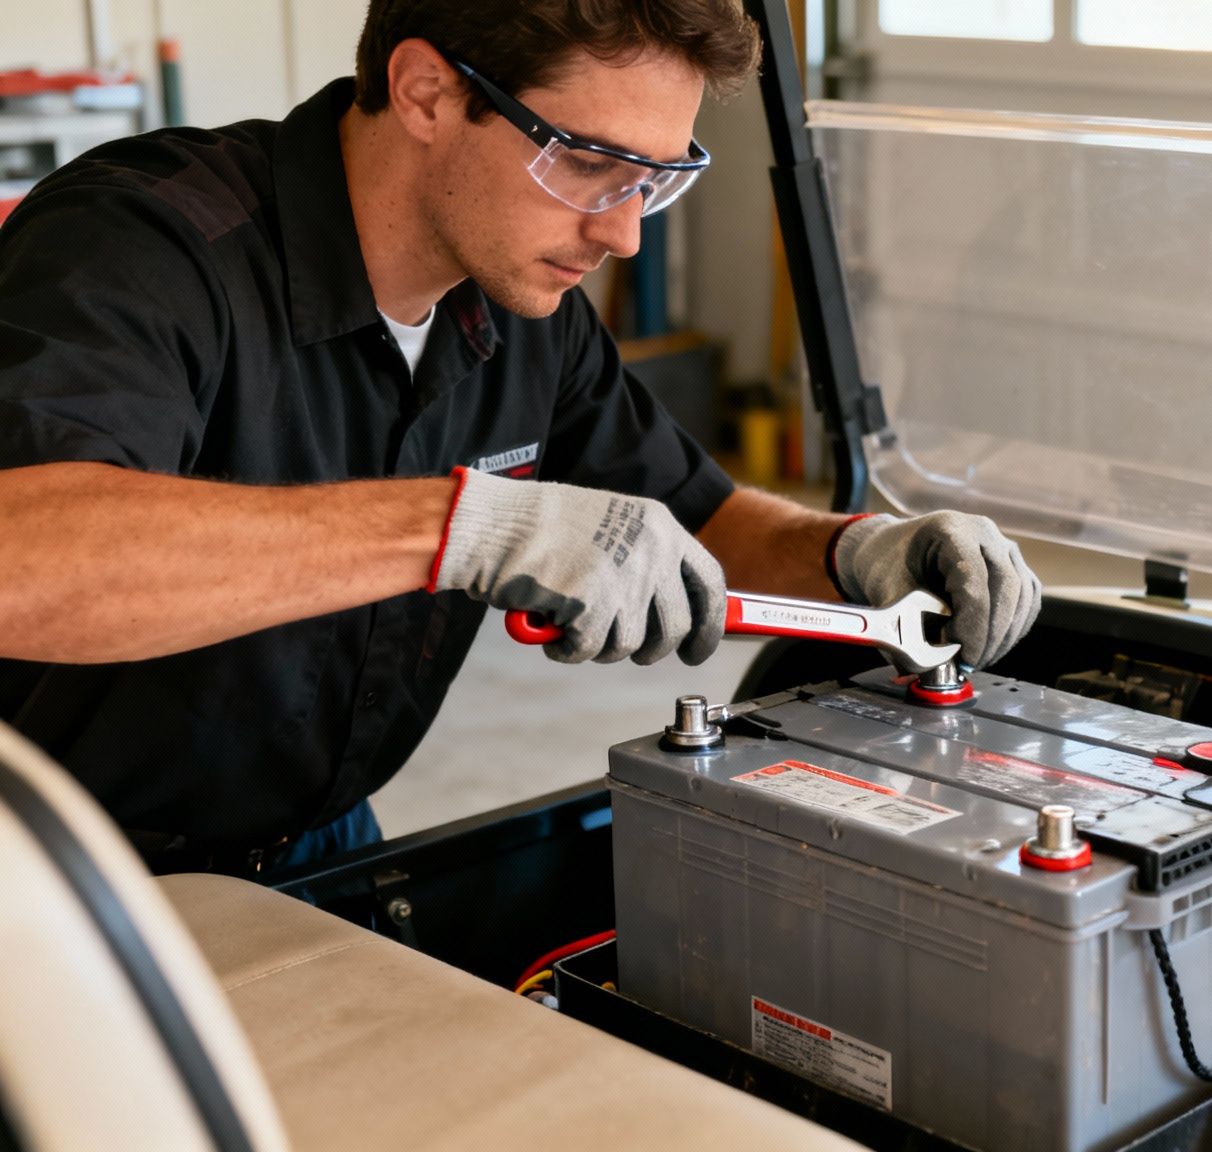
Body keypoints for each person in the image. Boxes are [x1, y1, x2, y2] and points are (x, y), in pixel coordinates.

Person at [0, 0, 1040, 875]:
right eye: (589, 162)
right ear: (426, 92)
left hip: (315, 843)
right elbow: (24, 560)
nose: (623, 231)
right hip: (52, 876)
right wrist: (466, 526)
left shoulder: (522, 318)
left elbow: (701, 521)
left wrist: (859, 553)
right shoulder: (143, 249)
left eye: (656, 178)